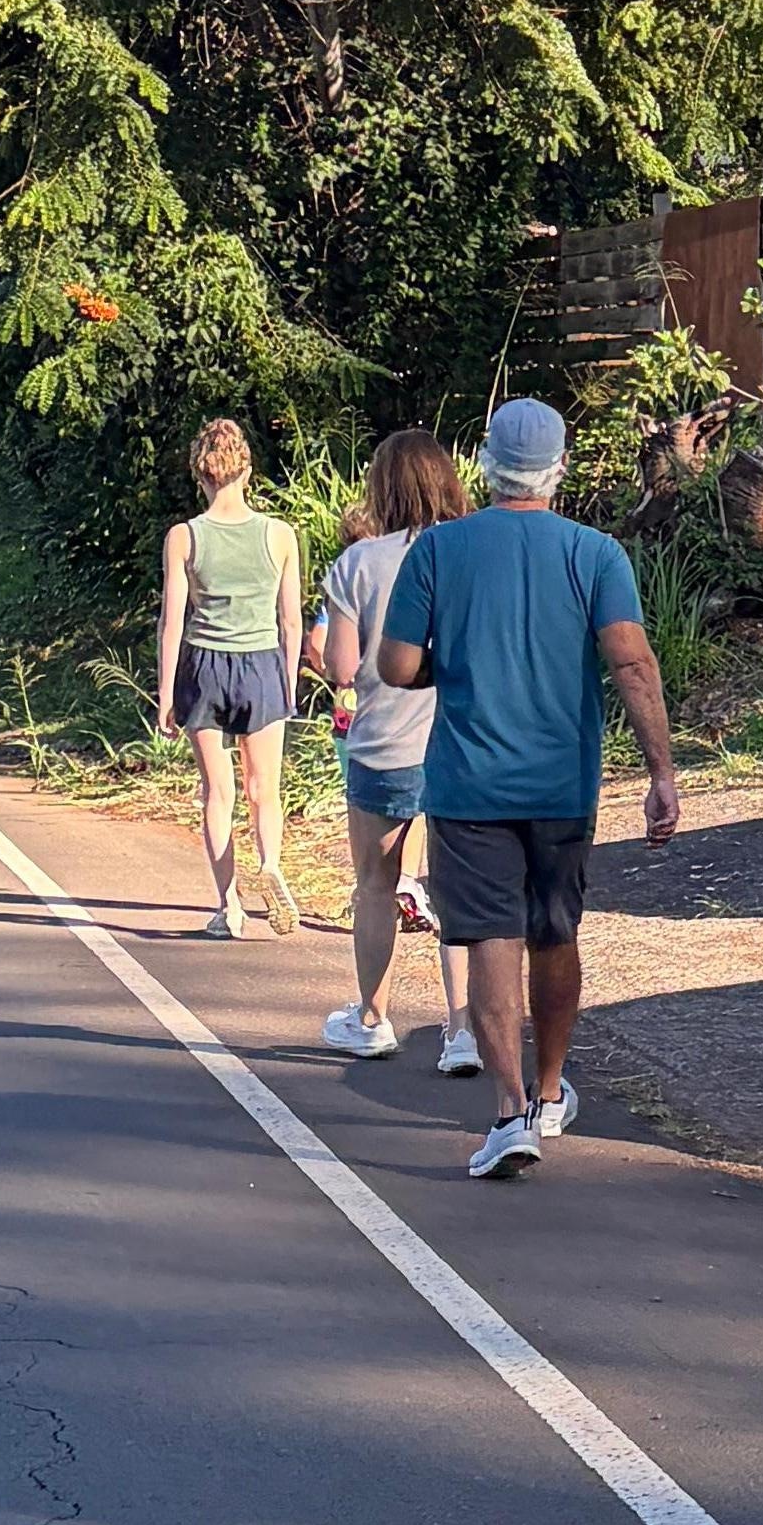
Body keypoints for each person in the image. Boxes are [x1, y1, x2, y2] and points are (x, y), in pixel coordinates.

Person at [374, 392, 682, 1179]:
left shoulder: (439, 552)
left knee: (489, 941)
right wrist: (660, 773)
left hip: (468, 786)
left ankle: (510, 1114)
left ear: (484, 463)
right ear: (560, 468)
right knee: (556, 933)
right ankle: (549, 1092)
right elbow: (633, 664)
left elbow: (397, 666)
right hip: (561, 786)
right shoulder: (596, 554)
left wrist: (457, 662)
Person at [315, 429, 478, 1074]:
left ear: (382, 486)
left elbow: (344, 665)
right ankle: (462, 1029)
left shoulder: (360, 562)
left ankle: (373, 1017)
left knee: (375, 885)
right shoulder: (470, 552)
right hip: (463, 744)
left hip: (383, 744)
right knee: (456, 888)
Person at [151, 417, 305, 937]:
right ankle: (272, 867)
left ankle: (229, 907)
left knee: (218, 792)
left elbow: (173, 622)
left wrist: (165, 693)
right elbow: (291, 619)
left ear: (201, 473)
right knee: (266, 789)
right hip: (262, 664)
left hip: (204, 666)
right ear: (247, 470)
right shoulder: (279, 535)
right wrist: (289, 682)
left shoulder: (184, 537)